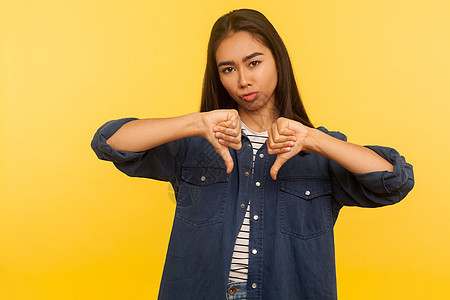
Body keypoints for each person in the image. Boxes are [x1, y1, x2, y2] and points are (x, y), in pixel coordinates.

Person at [91, 8, 414, 300]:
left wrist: (314, 140)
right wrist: (196, 121)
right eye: (228, 69)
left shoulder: (316, 148)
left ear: (278, 61)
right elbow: (110, 142)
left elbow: (394, 181)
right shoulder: (197, 141)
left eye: (254, 63)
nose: (243, 80)